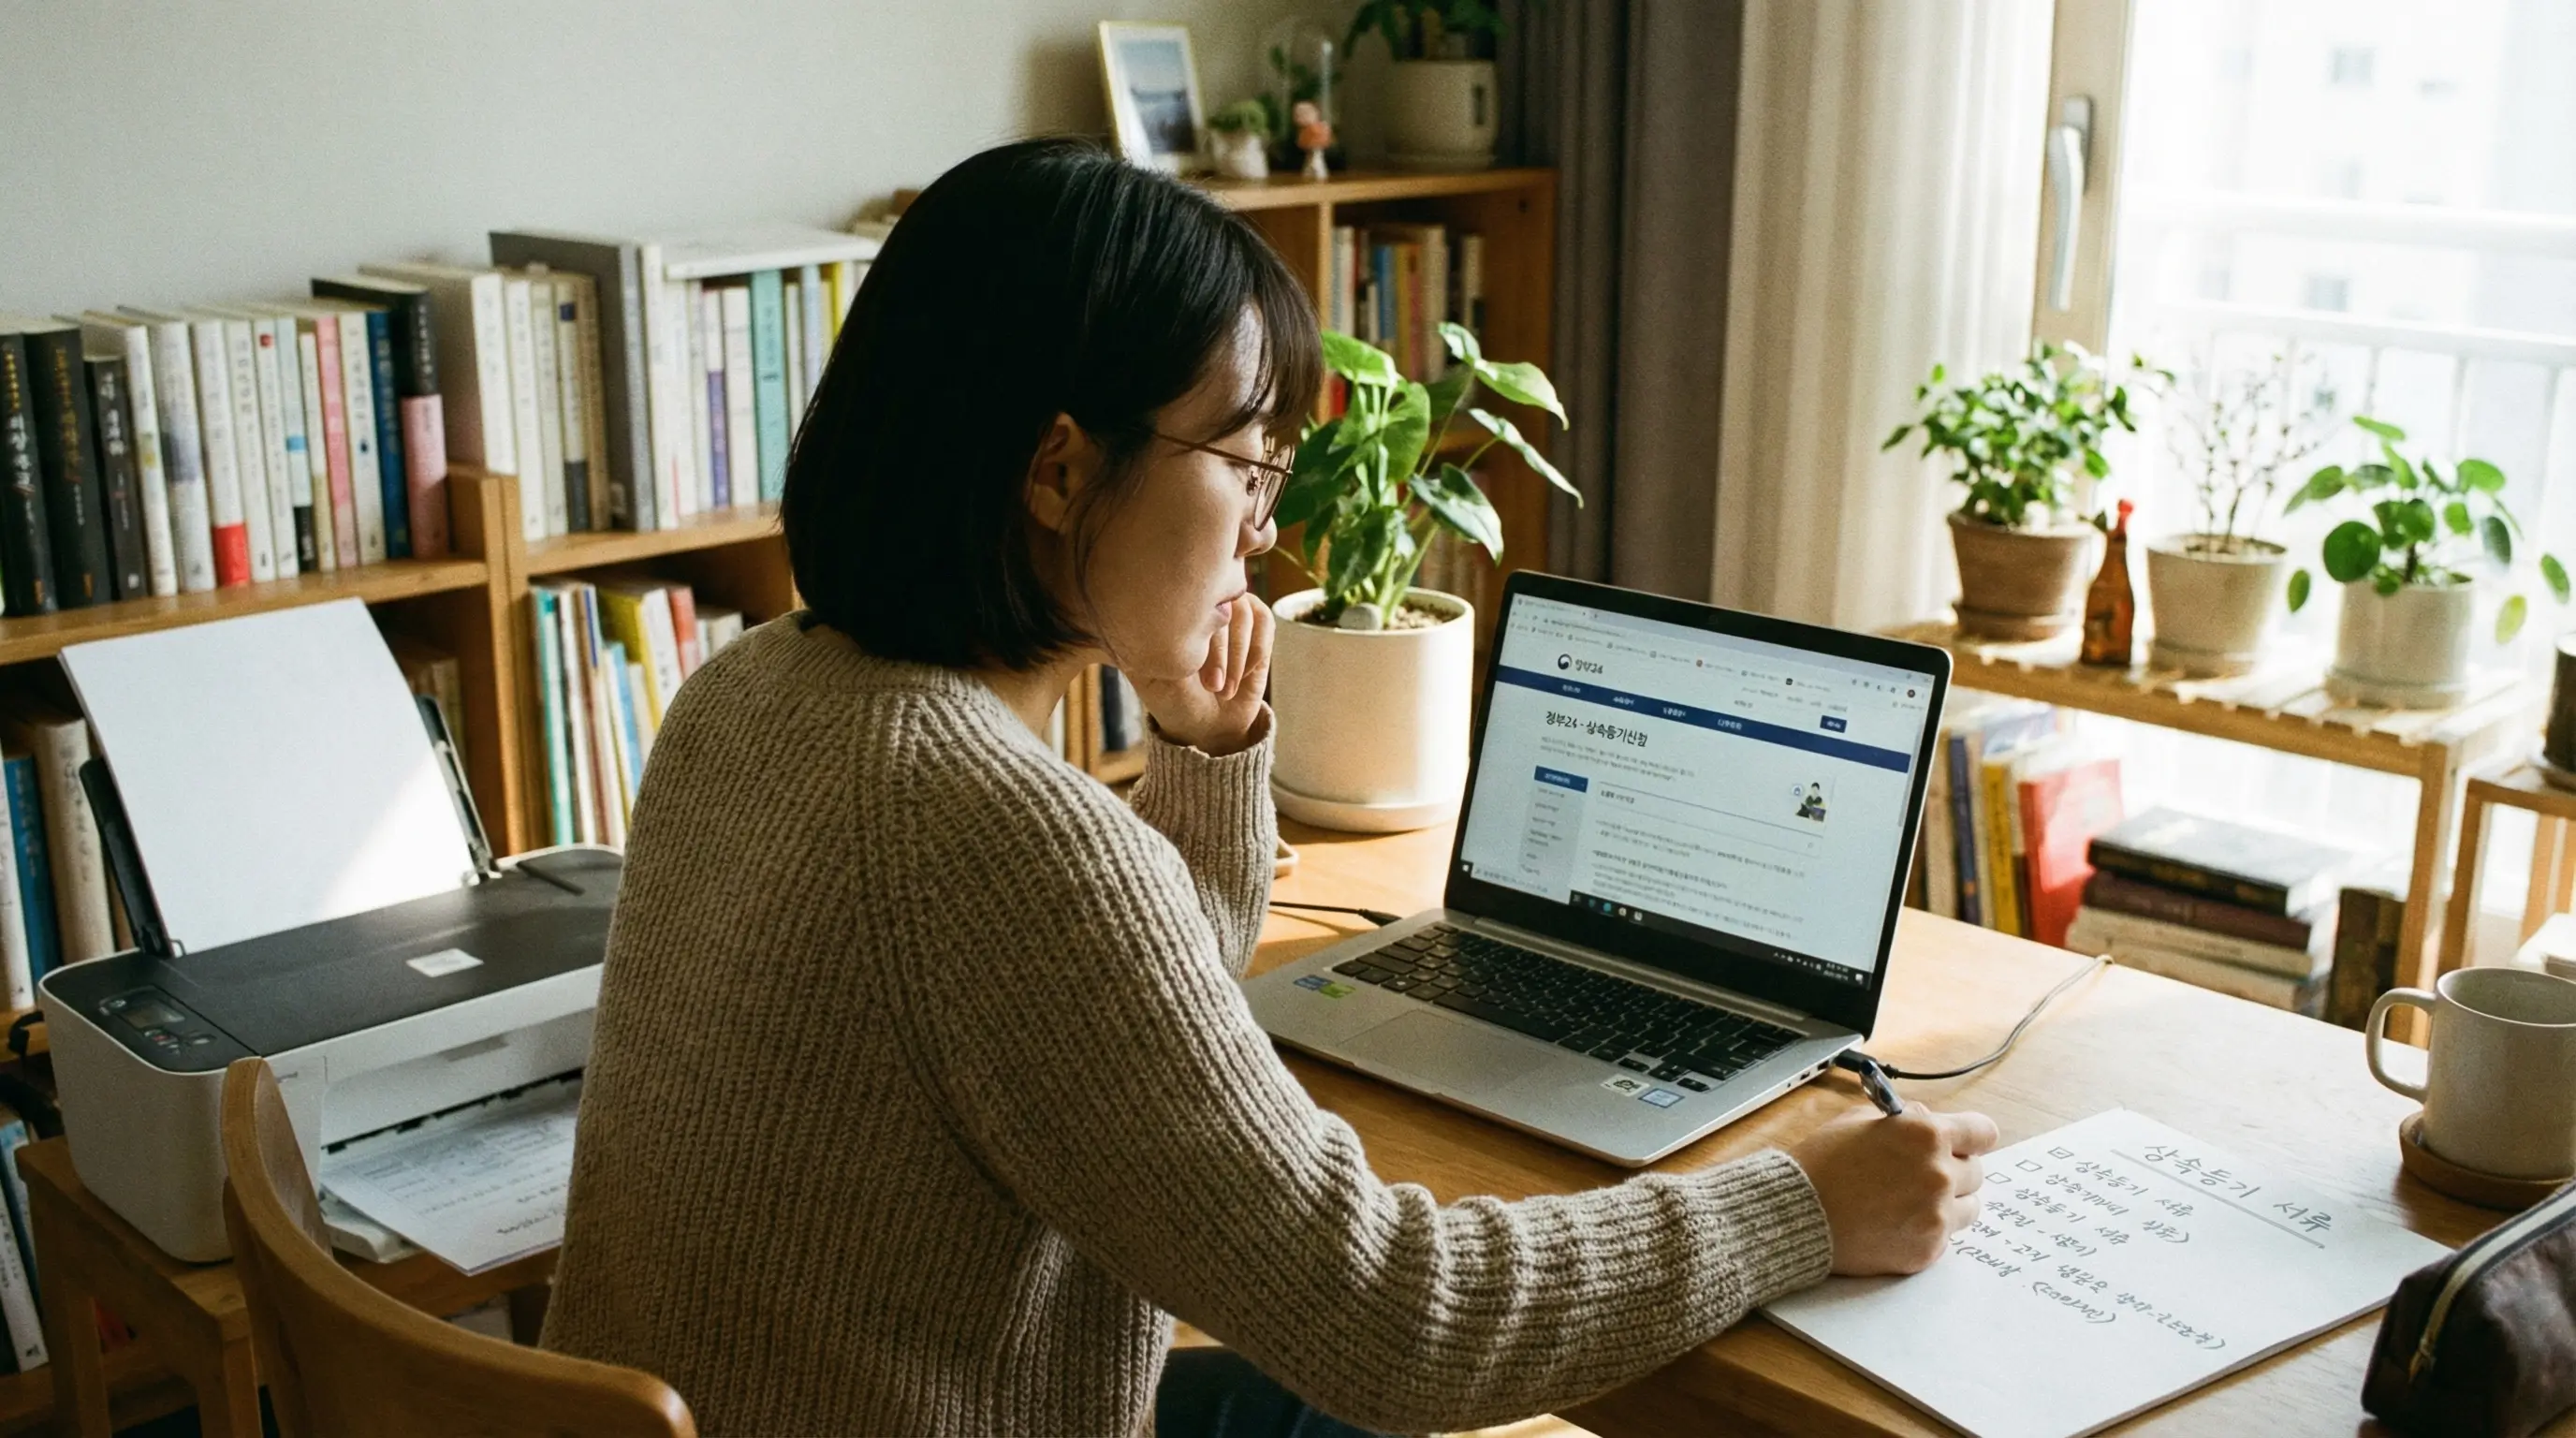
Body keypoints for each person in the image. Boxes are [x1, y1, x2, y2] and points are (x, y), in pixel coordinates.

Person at [540, 137, 1999, 1438]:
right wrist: (1800, 1204)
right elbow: (1398, 1324)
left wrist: (1201, 738)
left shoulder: (753, 692)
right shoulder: (995, 829)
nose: (1266, 516)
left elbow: (1141, 1003)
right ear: (1059, 470)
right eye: (1243, 454)